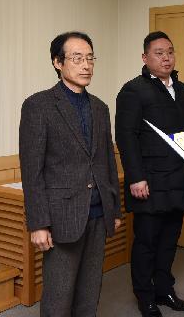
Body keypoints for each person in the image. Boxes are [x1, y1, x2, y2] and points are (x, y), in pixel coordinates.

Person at [19, 31, 122, 317]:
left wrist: (114, 208)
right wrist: (37, 223)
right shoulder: (38, 106)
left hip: (99, 214)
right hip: (61, 216)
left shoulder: (100, 107)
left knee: (89, 295)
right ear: (57, 62)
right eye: (77, 58)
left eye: (90, 58)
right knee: (58, 298)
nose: (86, 65)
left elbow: (107, 163)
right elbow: (32, 170)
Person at [115, 31, 184, 317]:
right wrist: (136, 177)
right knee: (147, 242)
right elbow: (126, 137)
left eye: (170, 52)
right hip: (149, 180)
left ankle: (165, 289)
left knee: (169, 240)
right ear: (145, 57)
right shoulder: (133, 90)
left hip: (179, 178)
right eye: (158, 53)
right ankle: (145, 296)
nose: (166, 58)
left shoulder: (183, 89)